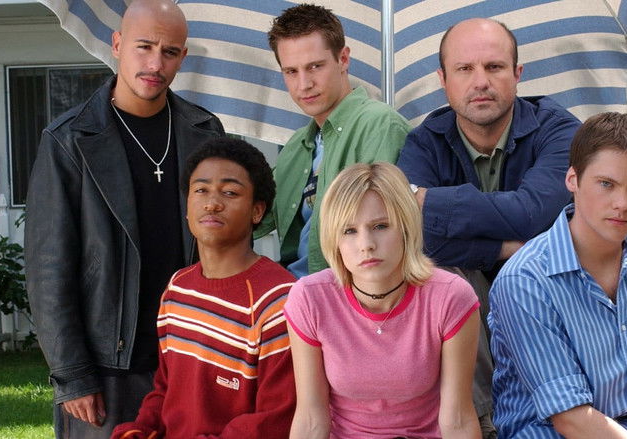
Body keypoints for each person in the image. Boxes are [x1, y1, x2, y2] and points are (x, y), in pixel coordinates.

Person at [24, 0, 225, 437]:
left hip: (191, 358)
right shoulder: (70, 139)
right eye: (144, 46)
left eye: (169, 52)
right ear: (117, 45)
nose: (155, 64)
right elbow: (47, 268)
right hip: (106, 369)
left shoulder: (205, 132)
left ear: (183, 57)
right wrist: (72, 374)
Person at [396, 18, 581, 432]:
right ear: (443, 80)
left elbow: (533, 213)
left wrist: (430, 201)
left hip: (548, 289)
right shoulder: (425, 141)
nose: (480, 81)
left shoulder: (560, 130)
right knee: (437, 274)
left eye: (494, 67)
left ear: (517, 74)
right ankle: (481, 424)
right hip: (467, 299)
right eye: (464, 69)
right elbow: (407, 235)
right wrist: (502, 247)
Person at [488, 113, 627, 438]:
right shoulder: (524, 280)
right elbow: (570, 417)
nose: (623, 203)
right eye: (607, 184)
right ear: (572, 180)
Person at [110, 138, 296, 438]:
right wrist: (141, 429)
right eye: (201, 190)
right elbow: (166, 388)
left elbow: (274, 419)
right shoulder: (178, 289)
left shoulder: (280, 300)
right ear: (187, 207)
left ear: (257, 211)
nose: (212, 203)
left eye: (230, 192)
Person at [284, 162, 481, 438]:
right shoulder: (310, 298)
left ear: (406, 227)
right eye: (349, 231)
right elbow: (310, 419)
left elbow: (457, 420)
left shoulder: (450, 297)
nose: (366, 244)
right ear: (333, 239)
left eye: (380, 226)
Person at [260, 3, 411, 278]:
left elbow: (387, 234)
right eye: (291, 71)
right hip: (294, 291)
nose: (304, 84)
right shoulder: (295, 147)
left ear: (343, 59)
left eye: (315, 66)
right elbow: (254, 218)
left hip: (349, 291)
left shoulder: (379, 125)